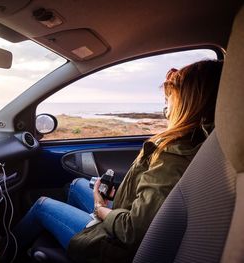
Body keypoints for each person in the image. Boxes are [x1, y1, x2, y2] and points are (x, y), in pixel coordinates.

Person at [13, 59, 223, 262]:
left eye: (171, 99)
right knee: (77, 184)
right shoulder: (199, 145)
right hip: (124, 219)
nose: (167, 109)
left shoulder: (174, 156)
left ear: (190, 104)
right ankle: (71, 238)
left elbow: (131, 231)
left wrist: (101, 209)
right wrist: (120, 193)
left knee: (42, 206)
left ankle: (2, 252)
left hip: (116, 248)